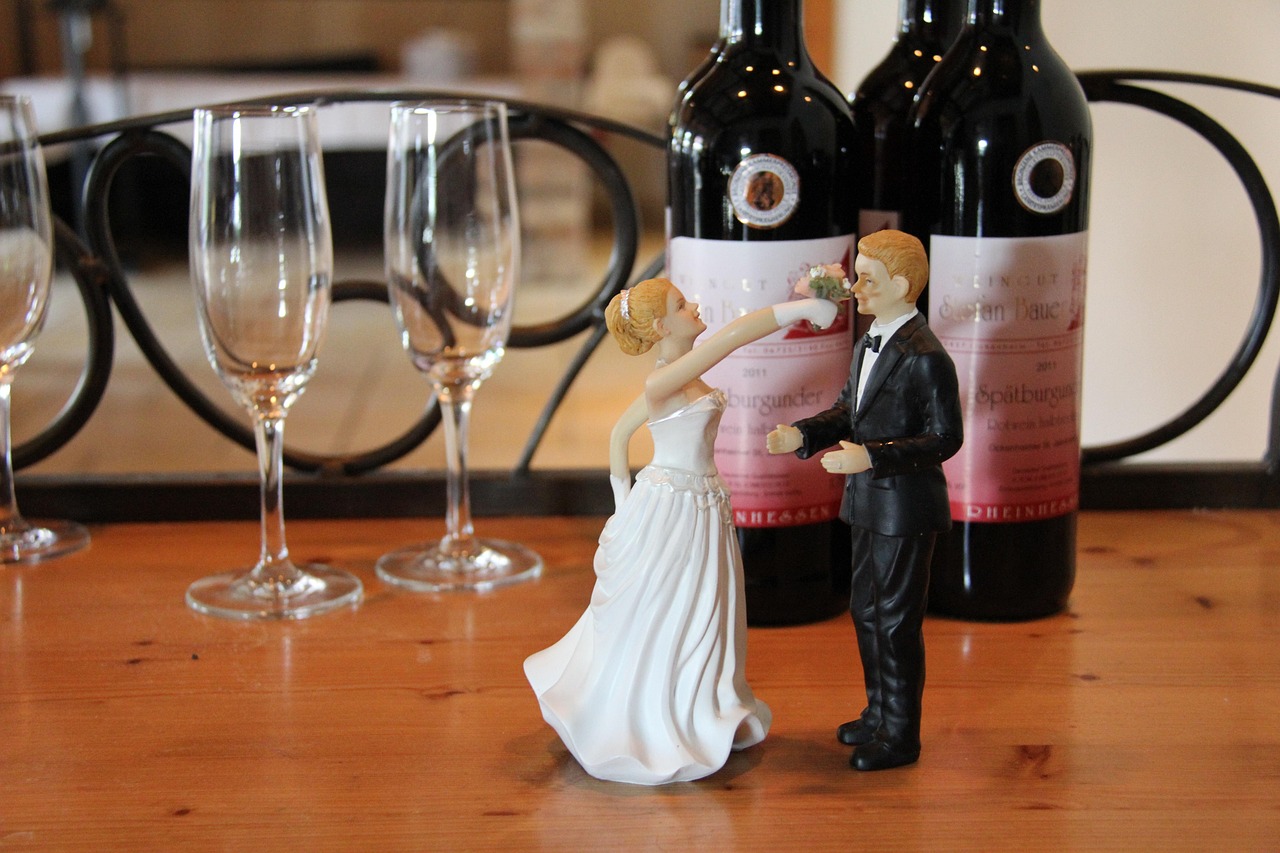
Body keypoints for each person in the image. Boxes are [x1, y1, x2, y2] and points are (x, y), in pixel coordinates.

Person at [525, 277, 837, 785]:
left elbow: (620, 434)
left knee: (703, 606)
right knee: (670, 608)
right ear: (660, 326)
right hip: (674, 506)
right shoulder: (662, 382)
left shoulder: (677, 380)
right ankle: (654, 719)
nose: (694, 305)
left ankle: (694, 708)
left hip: (703, 504)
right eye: (680, 304)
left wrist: (622, 498)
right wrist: (796, 311)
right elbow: (732, 337)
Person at [766, 230, 962, 771]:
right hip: (868, 504)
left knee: (896, 621)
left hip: (906, 508)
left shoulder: (927, 357)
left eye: (868, 279)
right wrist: (804, 434)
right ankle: (878, 714)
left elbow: (946, 438)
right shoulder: (868, 343)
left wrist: (871, 457)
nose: (855, 288)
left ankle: (901, 735)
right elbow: (847, 411)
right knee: (868, 612)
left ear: (900, 285)